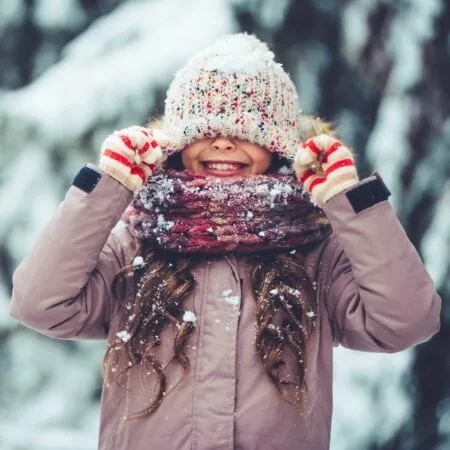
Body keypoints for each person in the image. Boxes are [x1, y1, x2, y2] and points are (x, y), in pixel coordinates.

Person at [10, 33, 441, 450]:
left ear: (278, 147)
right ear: (177, 143)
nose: (222, 141)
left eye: (247, 130)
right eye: (204, 128)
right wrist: (106, 189)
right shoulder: (136, 243)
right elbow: (40, 304)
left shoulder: (318, 253)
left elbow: (406, 321)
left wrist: (351, 203)